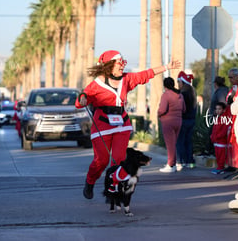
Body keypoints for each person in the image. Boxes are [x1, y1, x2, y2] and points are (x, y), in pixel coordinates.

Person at [75, 50, 180, 199]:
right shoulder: (97, 83)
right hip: (102, 126)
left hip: (121, 124)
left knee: (118, 160)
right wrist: (83, 98)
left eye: (123, 62)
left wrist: (167, 67)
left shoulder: (127, 79)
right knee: (101, 161)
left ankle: (114, 189)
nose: (122, 66)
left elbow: (146, 74)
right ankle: (90, 182)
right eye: (119, 63)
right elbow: (81, 98)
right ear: (109, 65)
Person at [158, 77, 185, 173]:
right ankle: (173, 163)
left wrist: (158, 114)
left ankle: (170, 165)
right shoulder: (180, 95)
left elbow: (162, 109)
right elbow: (184, 109)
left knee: (170, 145)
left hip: (168, 121)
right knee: (173, 144)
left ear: (165, 85)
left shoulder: (166, 95)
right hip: (179, 121)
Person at [175, 71, 197, 170]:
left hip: (183, 120)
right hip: (192, 120)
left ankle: (181, 161)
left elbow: (180, 108)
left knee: (180, 141)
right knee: (189, 141)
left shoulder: (182, 93)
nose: (177, 84)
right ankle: (190, 161)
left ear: (182, 82)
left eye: (178, 81)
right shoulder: (193, 91)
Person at [210, 102, 231, 174]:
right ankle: (219, 167)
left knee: (221, 155)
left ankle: (221, 167)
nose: (217, 110)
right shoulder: (217, 118)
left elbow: (224, 130)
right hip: (216, 141)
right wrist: (212, 136)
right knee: (218, 155)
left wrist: (217, 136)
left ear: (223, 110)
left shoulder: (224, 118)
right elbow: (214, 129)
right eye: (216, 109)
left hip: (221, 141)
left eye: (219, 109)